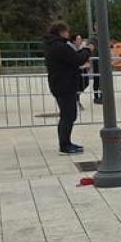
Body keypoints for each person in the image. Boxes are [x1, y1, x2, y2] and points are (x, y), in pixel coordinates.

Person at [43, 21, 93, 155]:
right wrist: (87, 50)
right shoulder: (59, 46)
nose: (68, 34)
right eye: (67, 31)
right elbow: (76, 59)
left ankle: (67, 142)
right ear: (61, 32)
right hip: (64, 85)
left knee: (68, 114)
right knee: (68, 115)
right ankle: (64, 145)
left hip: (61, 83)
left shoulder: (53, 45)